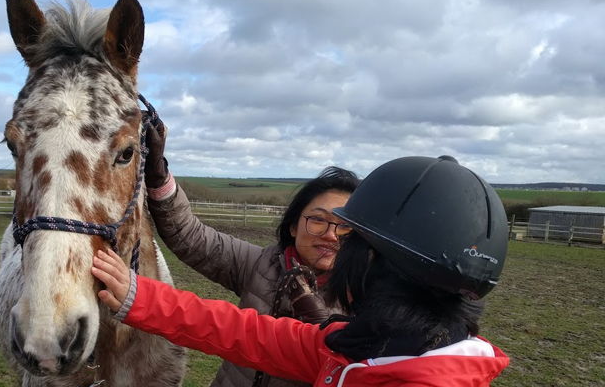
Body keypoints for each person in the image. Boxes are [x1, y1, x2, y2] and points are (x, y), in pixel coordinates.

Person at [92, 155, 511, 387]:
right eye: (320, 221)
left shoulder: (352, 344)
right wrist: (136, 294)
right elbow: (237, 329)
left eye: (350, 233)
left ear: (374, 261)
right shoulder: (356, 345)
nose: (334, 238)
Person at [143, 114, 359, 386]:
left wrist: (324, 329)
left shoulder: (366, 295)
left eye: (346, 227)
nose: (331, 235)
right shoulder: (260, 264)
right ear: (293, 226)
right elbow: (190, 235)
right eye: (317, 219)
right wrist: (158, 175)